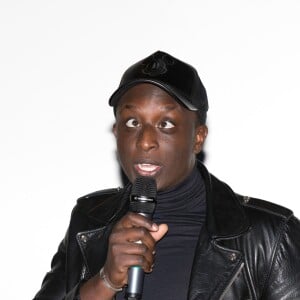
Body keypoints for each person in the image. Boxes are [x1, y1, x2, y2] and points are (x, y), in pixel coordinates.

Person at [34, 51, 300, 300]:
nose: (145, 141)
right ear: (116, 133)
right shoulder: (90, 221)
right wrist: (105, 282)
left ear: (197, 138)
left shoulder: (270, 236)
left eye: (166, 124)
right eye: (132, 122)